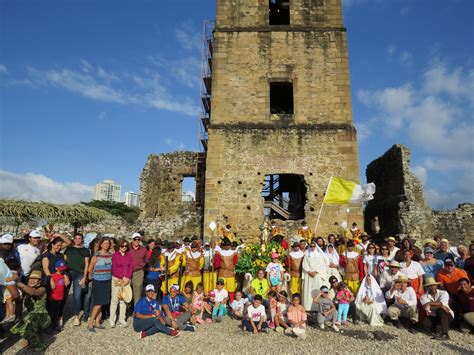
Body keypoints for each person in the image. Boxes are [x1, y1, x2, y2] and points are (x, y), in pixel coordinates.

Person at [10, 270, 49, 350]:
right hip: (31, 315)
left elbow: (33, 292)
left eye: (35, 279)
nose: (32, 280)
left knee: (26, 327)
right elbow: (18, 299)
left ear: (39, 282)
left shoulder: (42, 289)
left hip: (42, 316)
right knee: (17, 325)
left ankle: (39, 345)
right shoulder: (26, 290)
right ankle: (30, 338)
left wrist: (19, 283)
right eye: (30, 278)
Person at [64, 233, 91, 326]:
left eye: (80, 238)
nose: (78, 240)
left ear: (82, 240)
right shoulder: (69, 249)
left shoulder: (85, 250)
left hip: (79, 274)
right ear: (74, 240)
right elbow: (64, 262)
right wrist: (64, 274)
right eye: (76, 238)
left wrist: (84, 277)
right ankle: (60, 315)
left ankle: (76, 316)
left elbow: (87, 264)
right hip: (68, 273)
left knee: (77, 295)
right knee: (63, 294)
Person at [87, 237, 113, 332]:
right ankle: (90, 323)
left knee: (102, 302)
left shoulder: (111, 255)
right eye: (105, 243)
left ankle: (97, 322)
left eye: (108, 243)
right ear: (101, 244)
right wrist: (91, 279)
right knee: (98, 303)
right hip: (98, 281)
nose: (106, 245)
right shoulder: (96, 255)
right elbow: (90, 268)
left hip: (107, 280)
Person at [110, 239, 133, 328]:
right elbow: (114, 268)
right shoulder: (115, 255)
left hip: (126, 279)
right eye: (122, 246)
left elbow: (131, 266)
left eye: (125, 246)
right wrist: (122, 277)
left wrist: (127, 277)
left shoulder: (129, 255)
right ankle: (112, 320)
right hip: (117, 278)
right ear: (118, 246)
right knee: (115, 299)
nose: (124, 248)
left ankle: (122, 319)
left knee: (124, 300)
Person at [302, 241, 328, 311]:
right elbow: (304, 265)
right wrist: (309, 272)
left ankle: (317, 307)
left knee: (317, 290)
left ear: (316, 247)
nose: (312, 247)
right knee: (308, 290)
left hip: (317, 275)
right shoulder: (307, 255)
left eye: (314, 246)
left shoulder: (319, 256)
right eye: (311, 246)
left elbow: (321, 265)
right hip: (309, 275)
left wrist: (315, 272)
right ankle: (308, 307)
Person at [47, 259, 70, 332]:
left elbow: (68, 283)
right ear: (56, 268)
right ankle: (51, 326)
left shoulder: (64, 275)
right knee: (52, 313)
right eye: (60, 269)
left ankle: (55, 325)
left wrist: (65, 276)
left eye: (63, 269)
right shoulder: (53, 276)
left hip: (60, 297)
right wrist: (51, 281)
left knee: (57, 312)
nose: (62, 271)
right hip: (53, 297)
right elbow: (52, 286)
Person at [214, 238, 238, 303]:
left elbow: (236, 263)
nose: (227, 246)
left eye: (228, 245)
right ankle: (220, 301)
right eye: (225, 245)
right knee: (221, 288)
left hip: (230, 273)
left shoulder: (234, 253)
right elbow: (217, 264)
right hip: (222, 273)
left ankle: (231, 302)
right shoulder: (218, 253)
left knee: (231, 289)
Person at [129, 233, 147, 306]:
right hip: (127, 272)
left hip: (138, 272)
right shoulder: (127, 248)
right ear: (132, 240)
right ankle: (126, 310)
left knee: (138, 293)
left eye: (138, 239)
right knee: (126, 291)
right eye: (135, 239)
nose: (137, 241)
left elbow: (146, 261)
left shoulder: (143, 249)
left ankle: (136, 311)